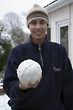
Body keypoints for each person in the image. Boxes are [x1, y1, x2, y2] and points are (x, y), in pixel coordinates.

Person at [3, 4, 73, 110]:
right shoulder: (17, 52)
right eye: (34, 23)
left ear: (47, 25)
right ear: (28, 26)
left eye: (42, 22)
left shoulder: (59, 51)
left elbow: (68, 86)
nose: (38, 27)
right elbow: (8, 87)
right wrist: (21, 86)